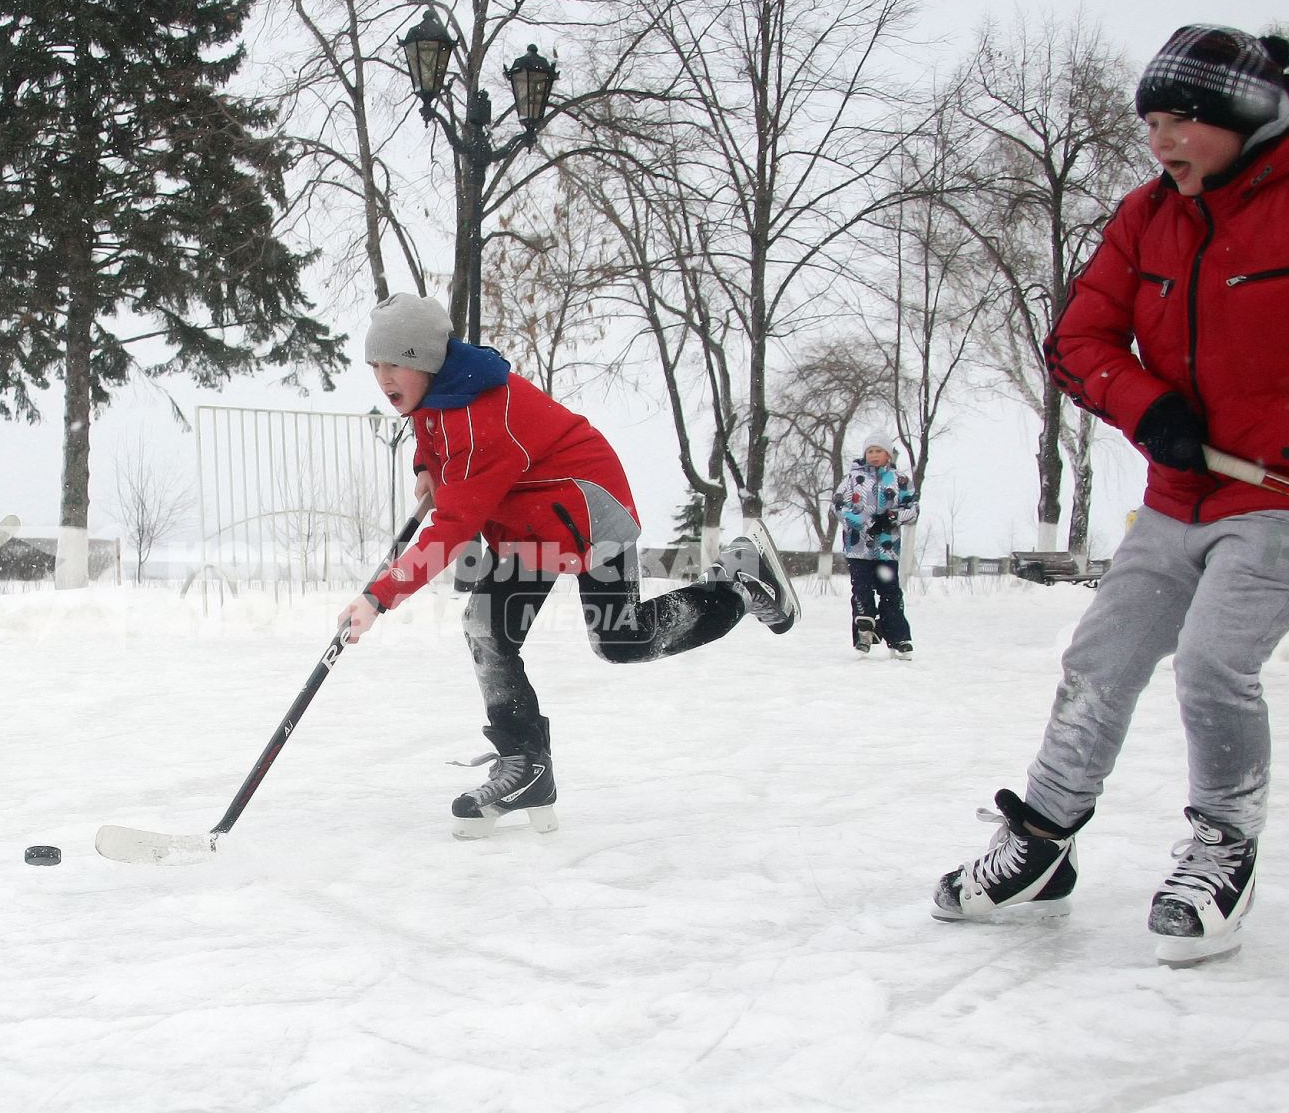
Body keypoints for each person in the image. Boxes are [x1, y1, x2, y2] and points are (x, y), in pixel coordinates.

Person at [932, 26, 1289, 967]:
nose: (1161, 140)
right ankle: (1042, 843)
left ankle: (1222, 844)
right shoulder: (1147, 216)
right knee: (1099, 659)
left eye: (1182, 120)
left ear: (1238, 116)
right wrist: (1148, 406)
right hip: (1179, 493)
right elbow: (1080, 339)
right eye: (1152, 121)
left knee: (1211, 662)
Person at [336, 293, 799, 838]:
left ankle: (738, 585)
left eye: (394, 364)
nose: (383, 377)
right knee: (487, 630)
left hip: (587, 512)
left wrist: (378, 596)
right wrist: (425, 465)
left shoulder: (482, 418)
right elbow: (433, 433)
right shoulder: (438, 394)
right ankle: (525, 766)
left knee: (622, 641)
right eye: (376, 366)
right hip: (528, 523)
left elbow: (453, 527)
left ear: (426, 361)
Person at [832, 434, 919, 658]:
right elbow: (838, 505)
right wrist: (865, 523)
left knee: (890, 593)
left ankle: (898, 638)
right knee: (861, 590)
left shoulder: (899, 480)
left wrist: (890, 518)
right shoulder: (852, 478)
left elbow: (912, 507)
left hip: (887, 549)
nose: (873, 455)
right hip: (858, 547)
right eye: (870, 451)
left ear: (888, 454)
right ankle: (864, 631)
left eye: (878, 451)